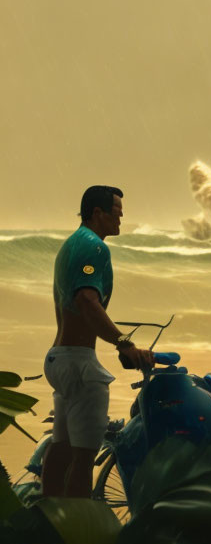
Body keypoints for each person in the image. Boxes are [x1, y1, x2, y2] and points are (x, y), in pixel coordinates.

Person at [41, 186, 154, 498]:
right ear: (97, 214)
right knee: (83, 457)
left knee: (61, 447)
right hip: (79, 363)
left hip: (59, 358)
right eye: (116, 212)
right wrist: (124, 344)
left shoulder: (72, 244)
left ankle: (48, 518)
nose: (121, 217)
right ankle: (79, 529)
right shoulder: (94, 247)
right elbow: (87, 301)